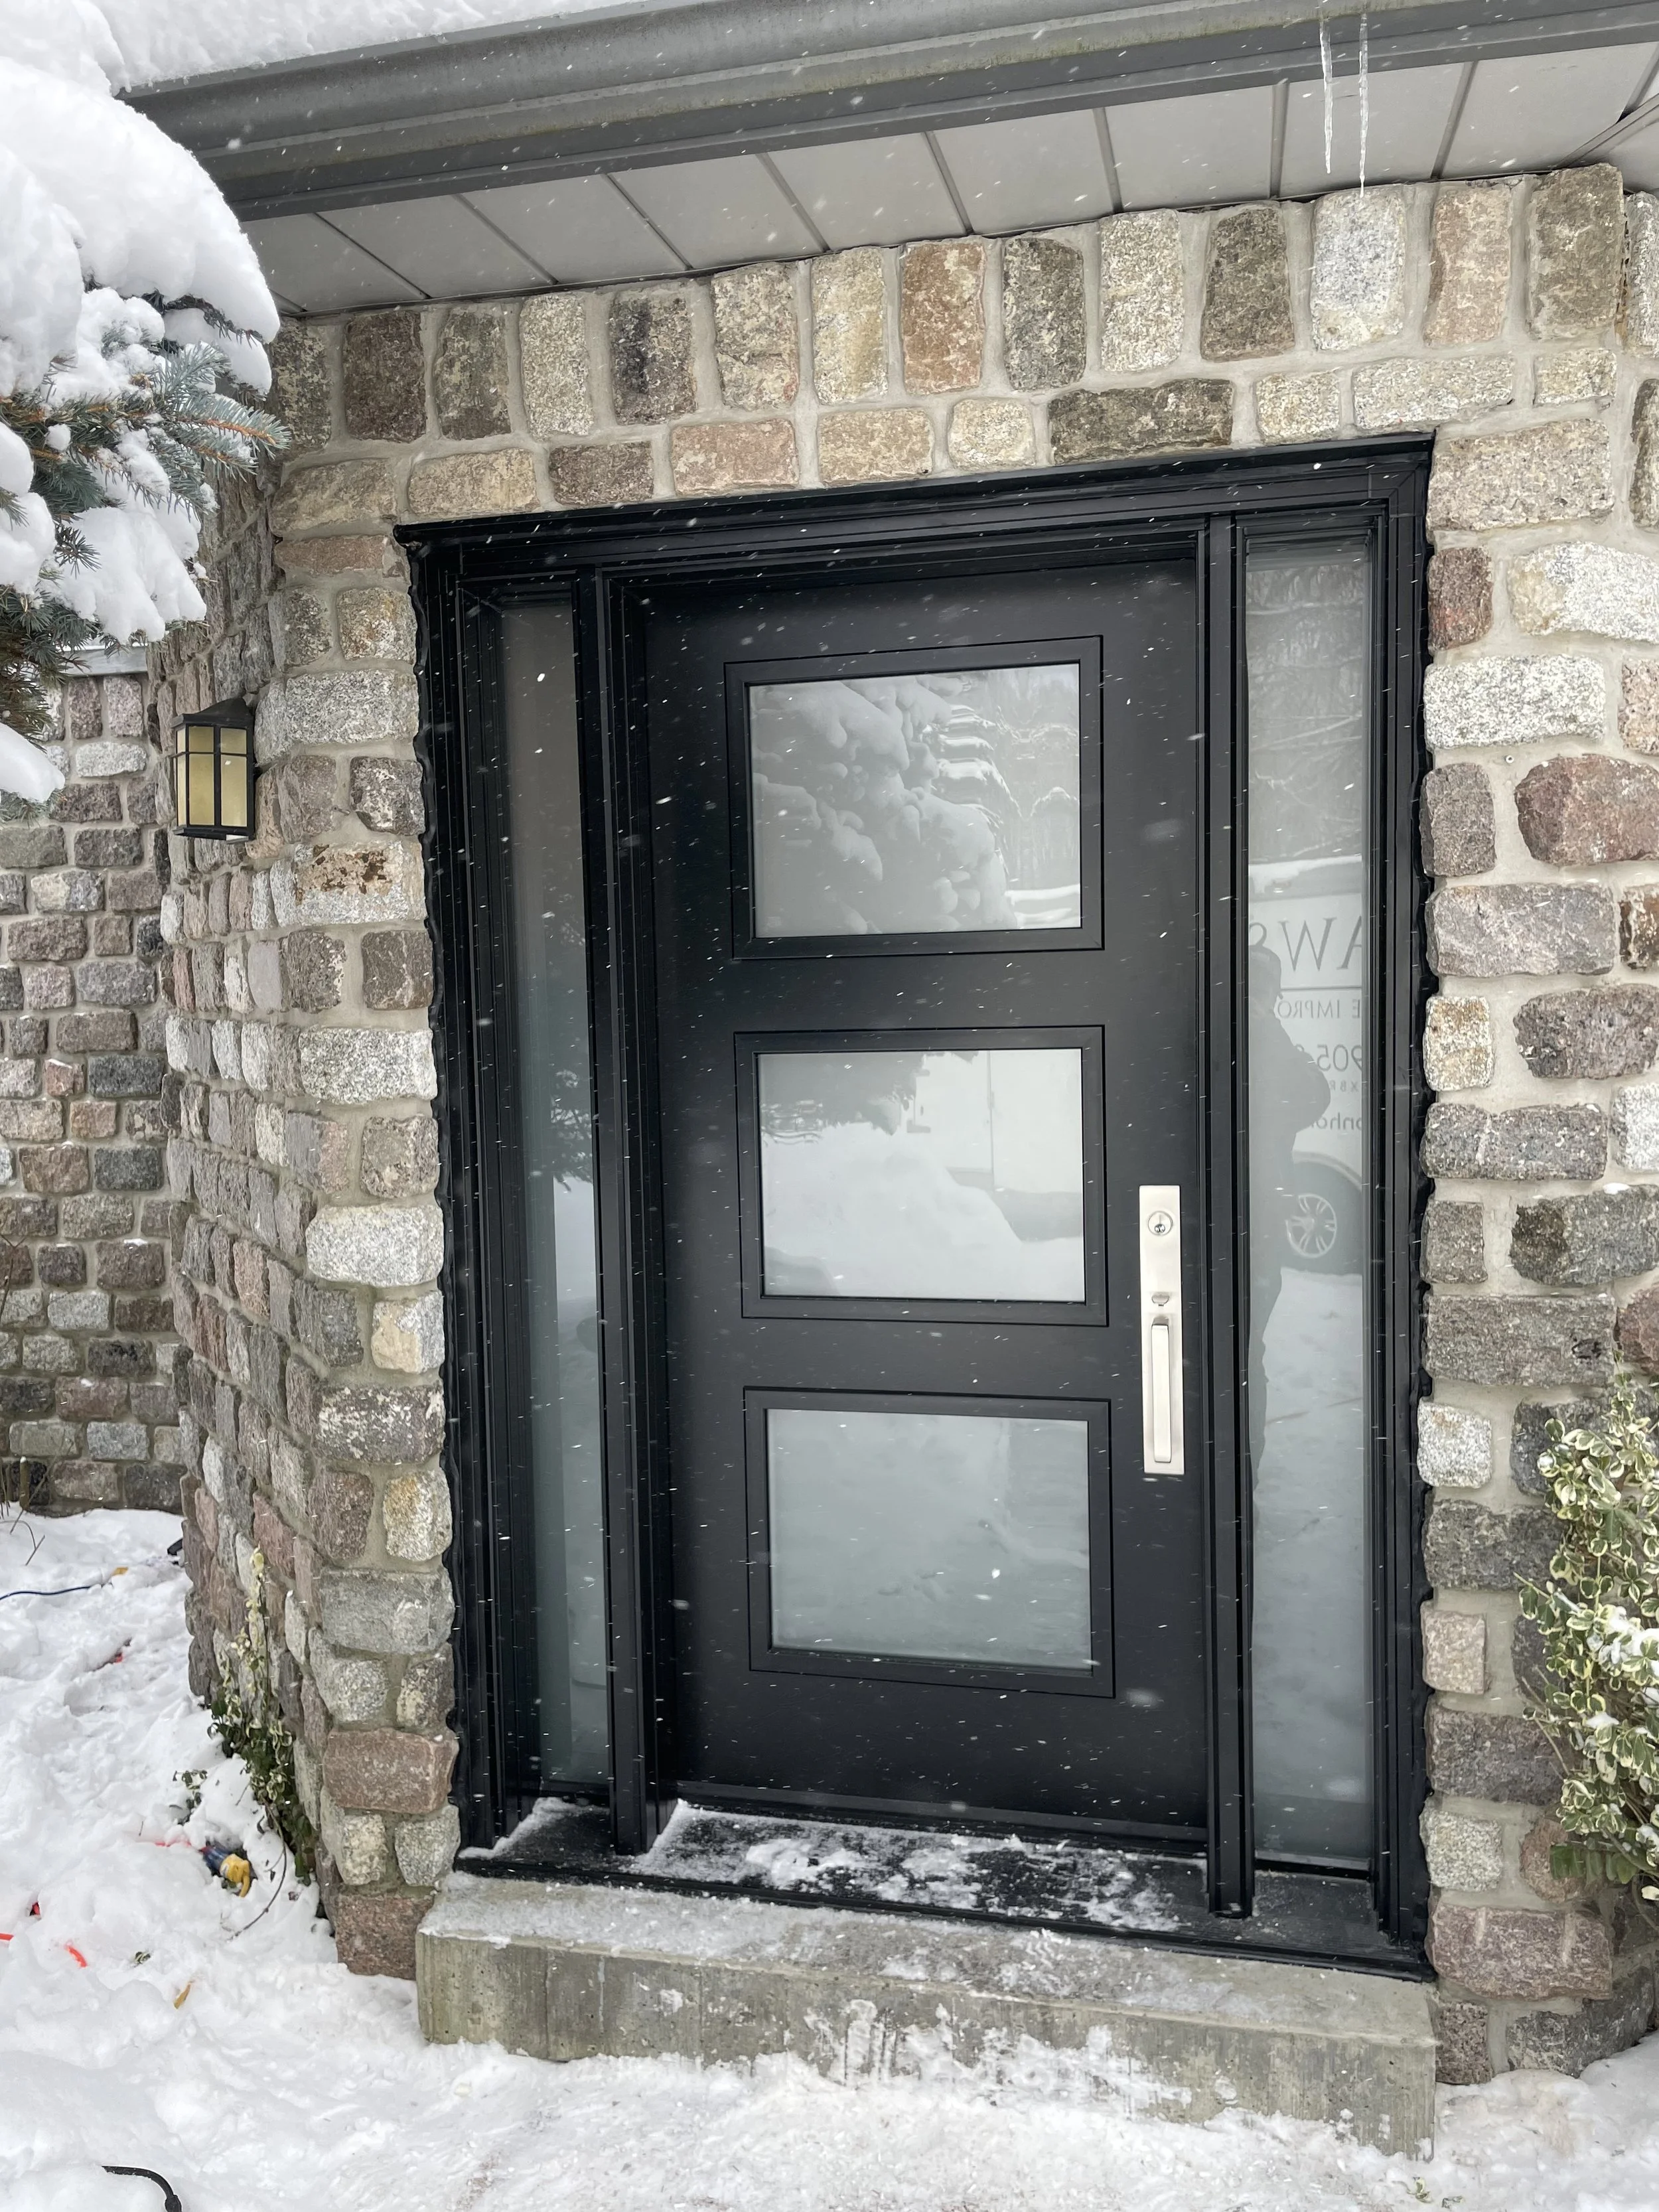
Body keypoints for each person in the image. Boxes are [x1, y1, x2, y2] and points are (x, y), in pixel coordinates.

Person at [1246, 942, 1331, 1475]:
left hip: (1234, 1205)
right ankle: (1243, 1474)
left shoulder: (1226, 1026)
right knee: (1248, 1347)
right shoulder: (1267, 1035)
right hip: (1260, 1206)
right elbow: (1316, 1094)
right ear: (1271, 991)